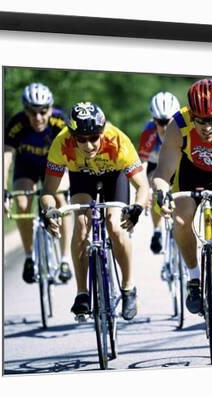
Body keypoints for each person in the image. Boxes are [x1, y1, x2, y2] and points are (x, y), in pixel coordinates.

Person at [39, 102, 150, 321]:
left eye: (94, 138)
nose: (89, 145)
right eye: (81, 139)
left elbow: (142, 186)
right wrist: (49, 209)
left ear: (102, 132)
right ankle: (82, 293)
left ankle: (128, 288)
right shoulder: (61, 144)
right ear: (72, 136)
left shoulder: (117, 141)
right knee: (80, 226)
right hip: (82, 180)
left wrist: (136, 207)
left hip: (114, 178)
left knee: (115, 226)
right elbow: (48, 191)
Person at [152, 79, 212, 324]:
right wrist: (161, 193)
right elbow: (162, 174)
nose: (207, 127)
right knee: (182, 218)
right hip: (191, 171)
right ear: (191, 114)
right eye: (200, 120)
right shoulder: (178, 125)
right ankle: (194, 277)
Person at [3, 82, 73, 284]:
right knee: (23, 205)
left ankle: (65, 259)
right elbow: (6, 157)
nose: (38, 117)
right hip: (27, 166)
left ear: (50, 108)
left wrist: (72, 179)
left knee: (61, 199)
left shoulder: (60, 121)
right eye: (32, 112)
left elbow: (73, 152)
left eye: (43, 111)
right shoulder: (17, 124)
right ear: (25, 110)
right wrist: (3, 189)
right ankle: (28, 256)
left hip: (55, 166)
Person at [138, 91, 181, 254]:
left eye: (167, 121)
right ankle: (157, 230)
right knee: (155, 192)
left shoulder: (182, 129)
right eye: (159, 122)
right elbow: (142, 163)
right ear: (153, 119)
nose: (163, 127)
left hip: (176, 162)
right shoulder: (149, 131)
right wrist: (145, 190)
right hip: (155, 164)